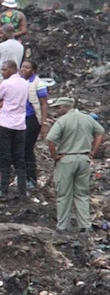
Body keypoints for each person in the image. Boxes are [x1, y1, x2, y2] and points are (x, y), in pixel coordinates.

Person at [46, 97, 105, 232]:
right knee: (82, 194)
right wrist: (93, 152)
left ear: (66, 107)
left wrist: (55, 156)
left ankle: (62, 226)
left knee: (63, 194)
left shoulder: (62, 121)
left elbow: (50, 139)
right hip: (84, 159)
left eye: (58, 107)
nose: (56, 110)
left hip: (67, 159)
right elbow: (100, 132)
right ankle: (85, 225)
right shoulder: (87, 118)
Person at [0, 60, 29, 199]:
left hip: (5, 124)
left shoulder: (6, 84)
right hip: (20, 125)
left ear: (13, 69)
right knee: (19, 158)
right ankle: (22, 192)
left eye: (4, 69)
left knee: (4, 158)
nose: (2, 72)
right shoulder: (25, 84)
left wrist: (1, 103)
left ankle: (4, 190)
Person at [20, 60, 49, 189]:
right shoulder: (18, 81)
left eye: (27, 67)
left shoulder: (38, 83)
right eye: (23, 67)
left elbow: (43, 104)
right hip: (19, 118)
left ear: (33, 70)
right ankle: (23, 177)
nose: (24, 69)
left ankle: (31, 178)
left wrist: (43, 122)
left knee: (27, 148)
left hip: (32, 118)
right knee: (19, 148)